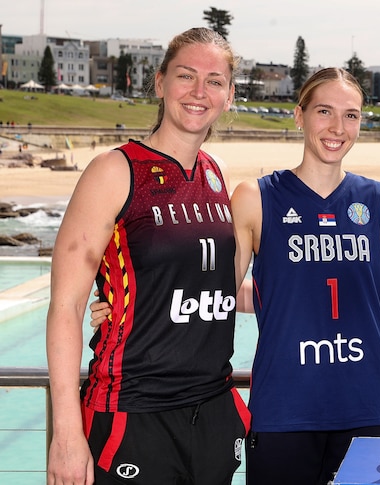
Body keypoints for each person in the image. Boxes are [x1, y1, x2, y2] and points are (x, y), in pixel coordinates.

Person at [47, 27, 249, 485]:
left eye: (215, 81)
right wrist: (65, 432)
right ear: (159, 83)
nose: (200, 92)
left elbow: (211, 287)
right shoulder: (114, 170)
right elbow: (66, 306)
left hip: (211, 413)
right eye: (186, 76)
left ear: (230, 95)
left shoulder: (216, 175)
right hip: (133, 413)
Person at [230, 68, 380, 484]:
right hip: (283, 410)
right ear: (299, 116)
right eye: (324, 111)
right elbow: (217, 296)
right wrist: (136, 304)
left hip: (365, 408)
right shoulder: (256, 197)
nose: (337, 127)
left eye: (351, 115)